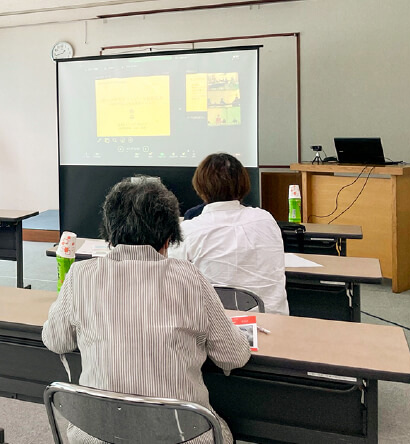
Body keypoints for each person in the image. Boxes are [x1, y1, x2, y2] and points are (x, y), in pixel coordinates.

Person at [42, 177, 251, 444]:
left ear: (109, 231)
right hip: (182, 435)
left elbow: (55, 340)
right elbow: (233, 357)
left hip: (97, 434)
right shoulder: (189, 278)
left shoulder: (80, 275)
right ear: (168, 237)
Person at [176, 153, 289, 315]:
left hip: (214, 332)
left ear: (200, 187)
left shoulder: (188, 231)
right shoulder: (266, 220)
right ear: (243, 184)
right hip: (273, 325)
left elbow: (172, 284)